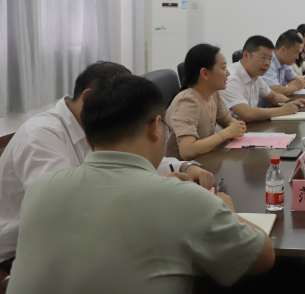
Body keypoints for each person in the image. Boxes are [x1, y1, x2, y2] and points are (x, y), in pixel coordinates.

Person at [5, 75, 274, 294]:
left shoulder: (42, 189)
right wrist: (226, 209)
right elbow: (263, 258)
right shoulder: (187, 201)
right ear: (156, 127)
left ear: (88, 137)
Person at [0, 61, 213, 272]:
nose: (128, 114)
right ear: (89, 99)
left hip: (80, 238)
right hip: (20, 254)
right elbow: (64, 212)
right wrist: (153, 191)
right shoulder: (41, 135)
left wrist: (184, 167)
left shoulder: (99, 126)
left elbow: (130, 161)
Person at [166, 44, 246, 160]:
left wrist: (234, 124)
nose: (228, 73)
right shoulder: (187, 102)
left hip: (202, 161)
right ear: (205, 73)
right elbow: (187, 151)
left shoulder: (213, 93)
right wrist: (227, 133)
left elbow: (226, 119)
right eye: (223, 68)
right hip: (179, 167)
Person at [220, 35, 305, 122]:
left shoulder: (256, 75)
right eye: (263, 57)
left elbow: (273, 96)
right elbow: (247, 114)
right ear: (246, 55)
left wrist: (291, 101)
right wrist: (283, 110)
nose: (267, 63)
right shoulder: (230, 79)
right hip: (233, 129)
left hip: (250, 127)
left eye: (270, 59)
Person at [263, 30, 305, 96]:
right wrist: (294, 87)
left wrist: (286, 89)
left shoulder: (285, 61)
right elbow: (274, 92)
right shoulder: (269, 62)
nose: (297, 57)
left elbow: (298, 82)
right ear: (283, 50)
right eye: (296, 52)